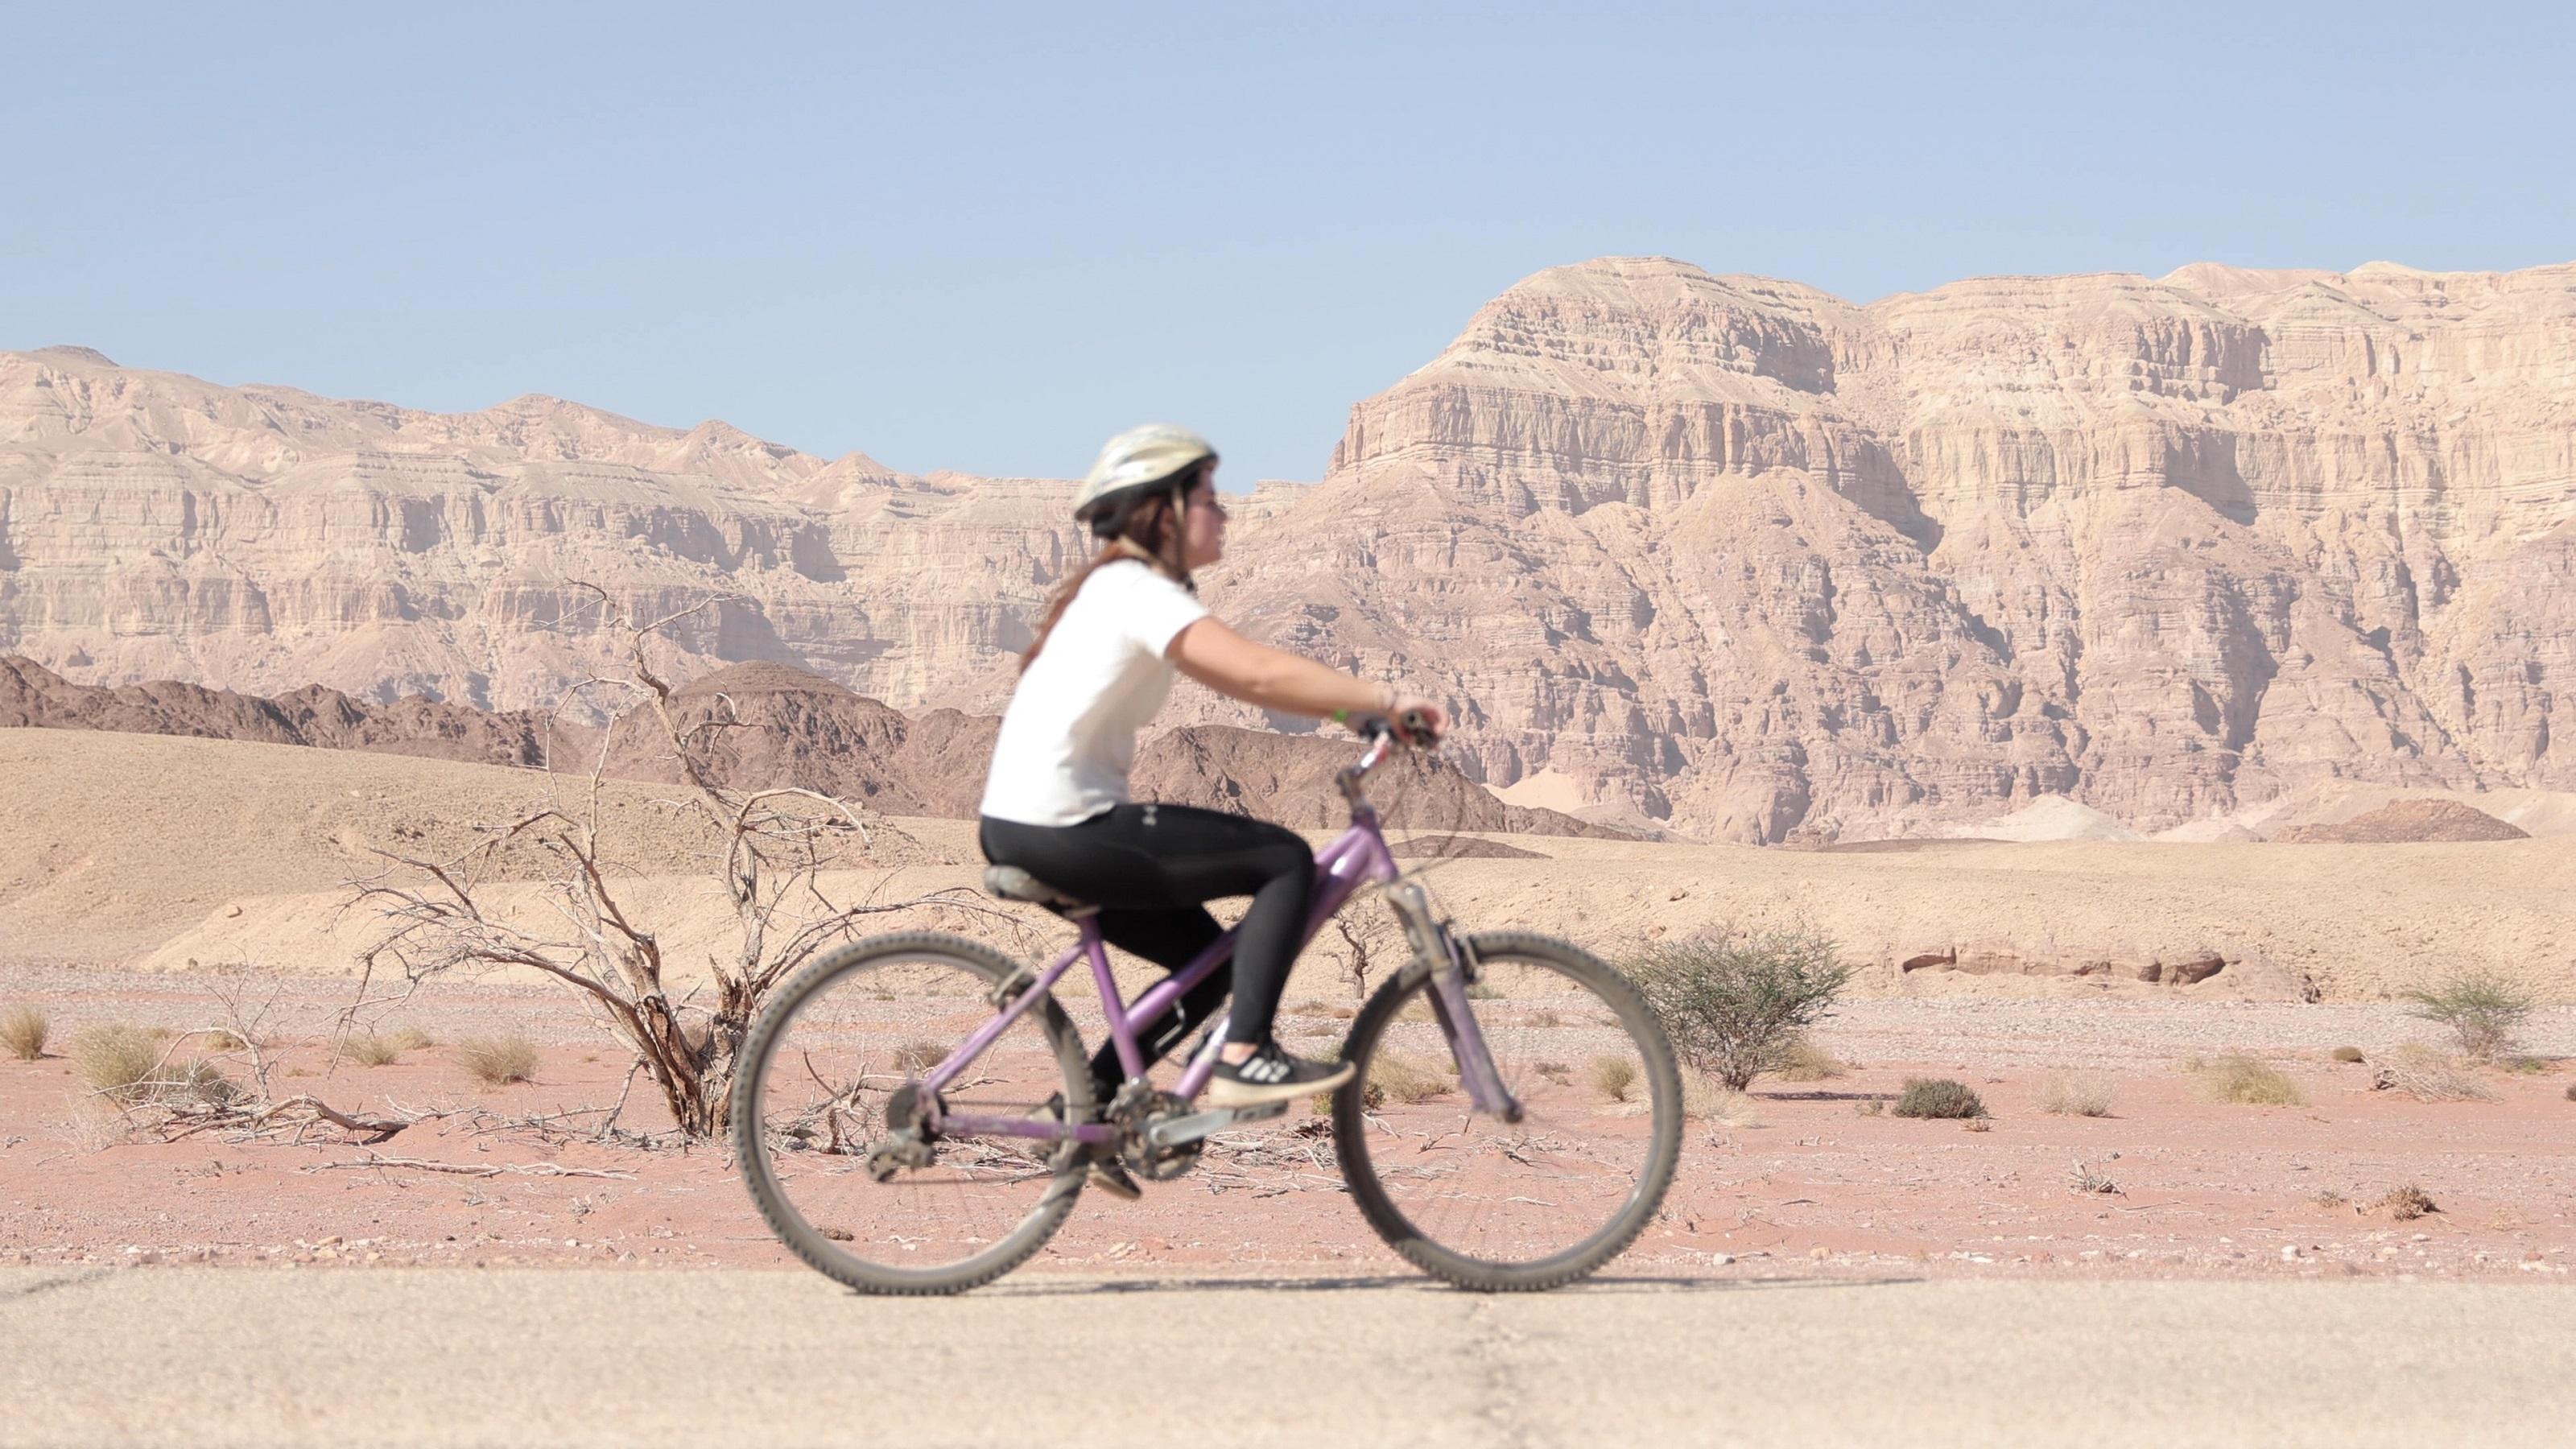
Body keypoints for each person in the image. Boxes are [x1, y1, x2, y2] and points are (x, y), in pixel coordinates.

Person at [976, 423, 1447, 1180]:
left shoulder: (1124, 590)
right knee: (1284, 859)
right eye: (1207, 498)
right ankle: (1244, 1055)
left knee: (1207, 966)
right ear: (1163, 511)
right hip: (1062, 825)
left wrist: (1347, 714)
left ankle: (1089, 1110)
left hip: (1033, 826)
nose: (1222, 514)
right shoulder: (1134, 588)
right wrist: (1384, 699)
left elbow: (1241, 677)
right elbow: (1254, 674)